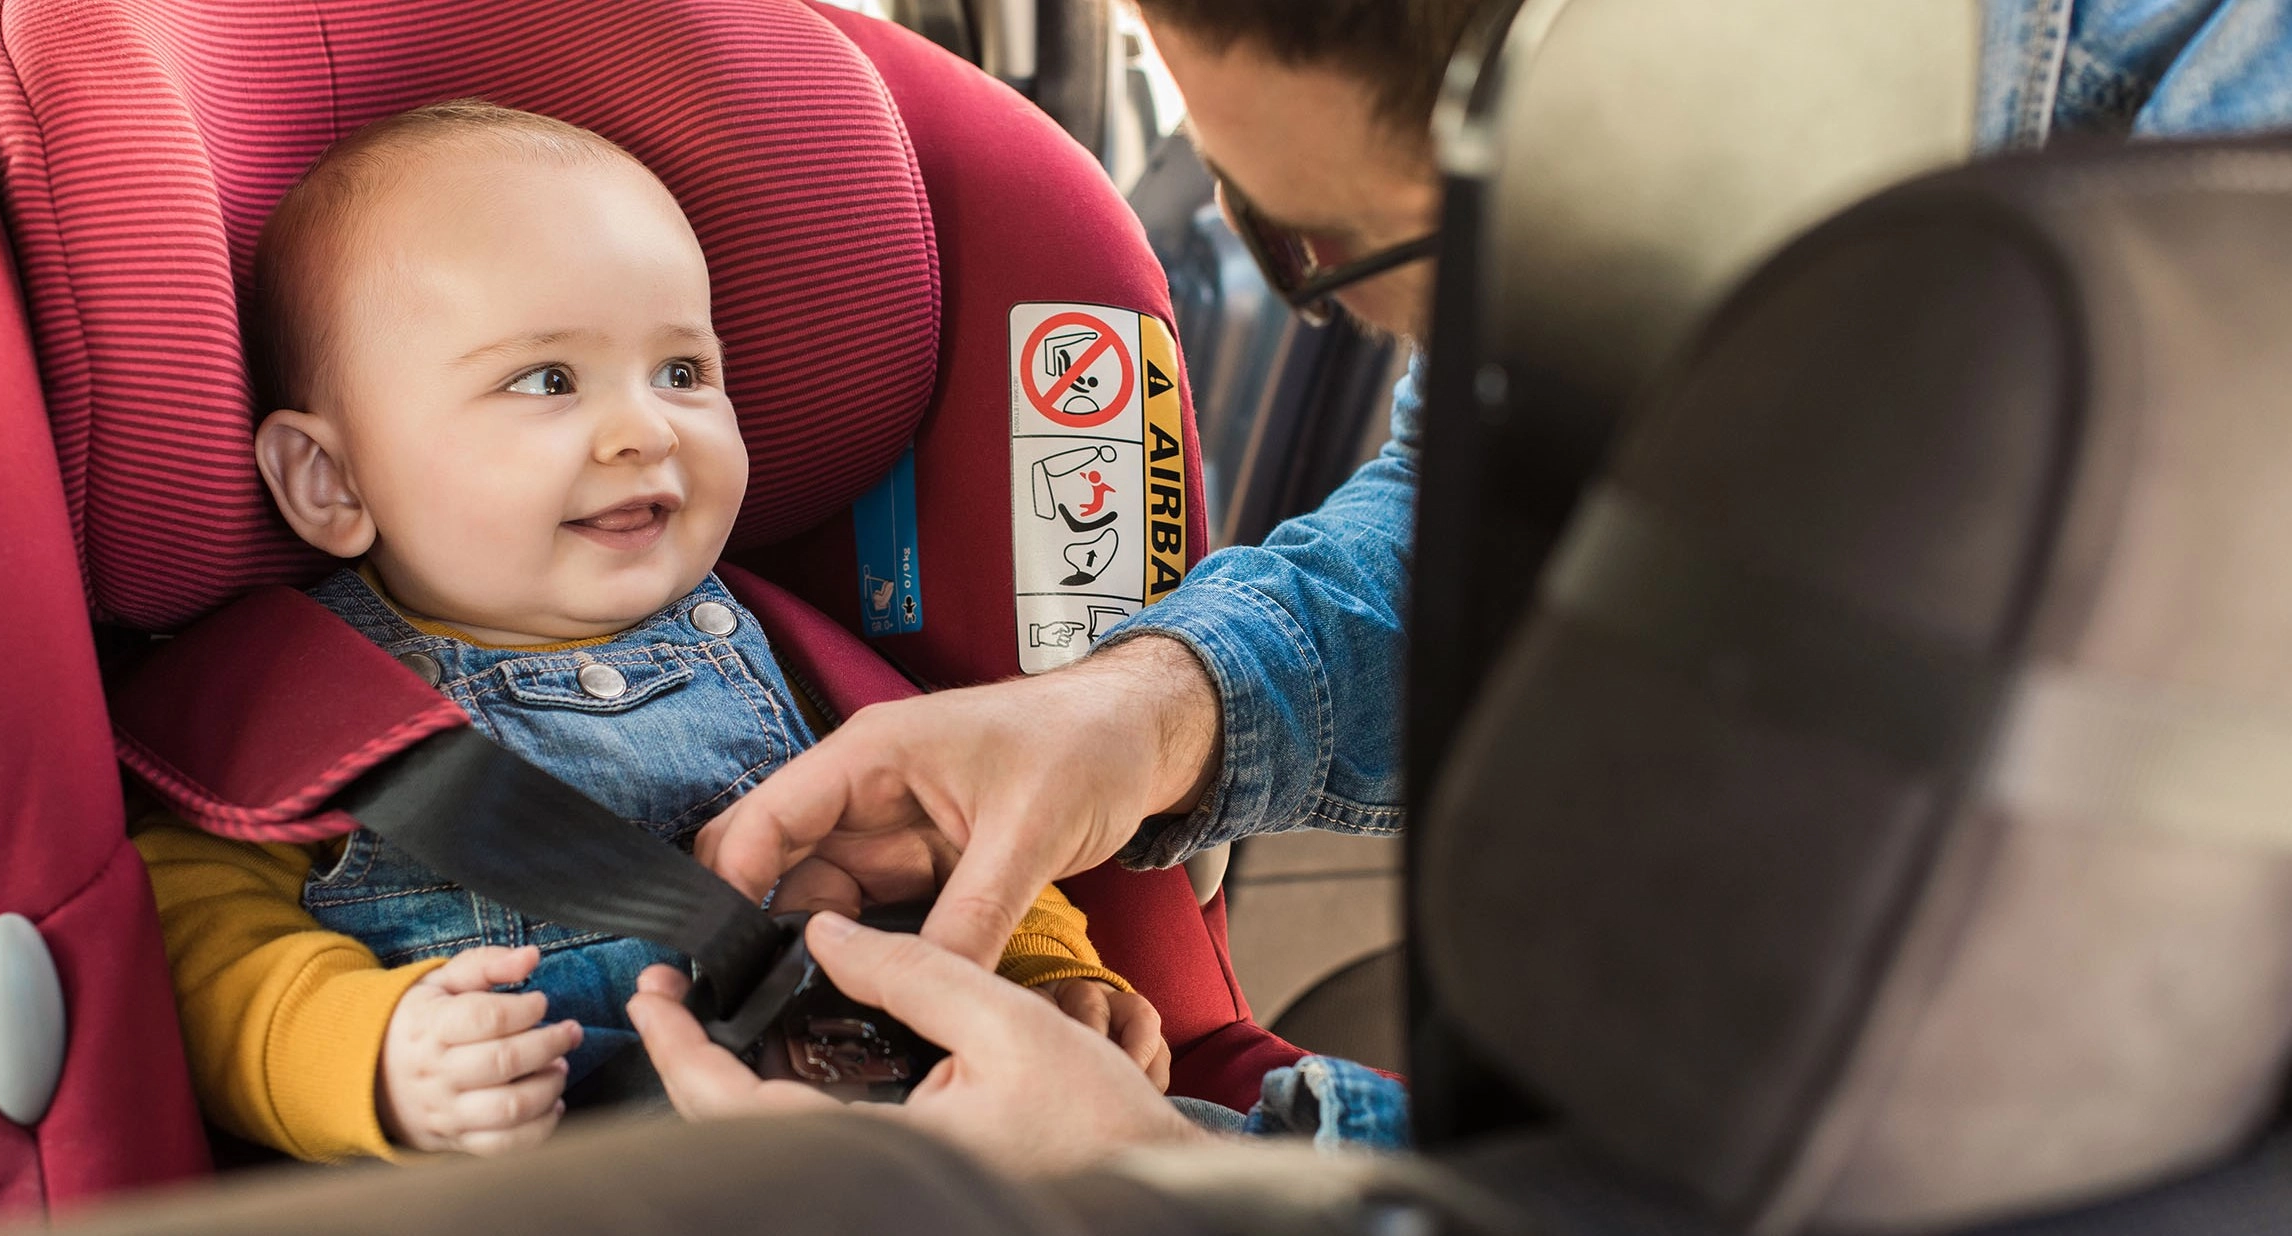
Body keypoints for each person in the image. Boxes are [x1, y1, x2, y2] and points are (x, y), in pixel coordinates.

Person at [640, 0, 2292, 1164]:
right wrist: (1149, 711)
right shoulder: (1627, 162)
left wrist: (1194, 1194)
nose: (1340, 318)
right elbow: (1507, 484)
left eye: (1330, 246)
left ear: (1619, 70)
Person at [128, 100, 1163, 1164]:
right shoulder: (295, 714)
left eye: (683, 372)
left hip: (909, 1137)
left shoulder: (795, 659)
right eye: (546, 380)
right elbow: (200, 949)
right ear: (330, 479)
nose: (645, 430)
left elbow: (950, 838)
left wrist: (1043, 970)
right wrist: (376, 1057)